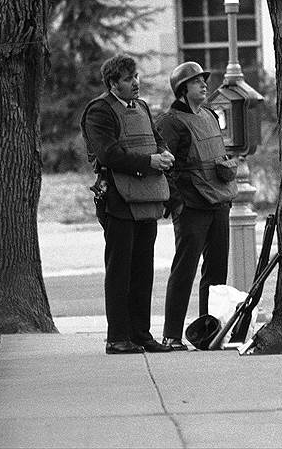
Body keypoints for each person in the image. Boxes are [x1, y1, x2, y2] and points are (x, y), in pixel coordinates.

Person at [81, 55, 176, 354]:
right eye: (128, 79)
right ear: (113, 84)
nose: (135, 82)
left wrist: (165, 154)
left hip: (147, 196)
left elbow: (156, 139)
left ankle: (141, 334)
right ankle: (118, 338)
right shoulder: (99, 111)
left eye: (135, 76)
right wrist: (150, 161)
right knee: (120, 270)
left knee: (143, 269)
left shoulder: (143, 107)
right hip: (118, 200)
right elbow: (109, 154)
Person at [156, 61, 238, 350]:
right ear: (182, 89)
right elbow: (164, 167)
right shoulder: (170, 122)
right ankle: (171, 335)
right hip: (191, 207)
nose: (204, 85)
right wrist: (176, 204)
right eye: (196, 82)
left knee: (217, 273)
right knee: (185, 269)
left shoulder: (208, 115)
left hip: (218, 202)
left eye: (204, 80)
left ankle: (209, 333)